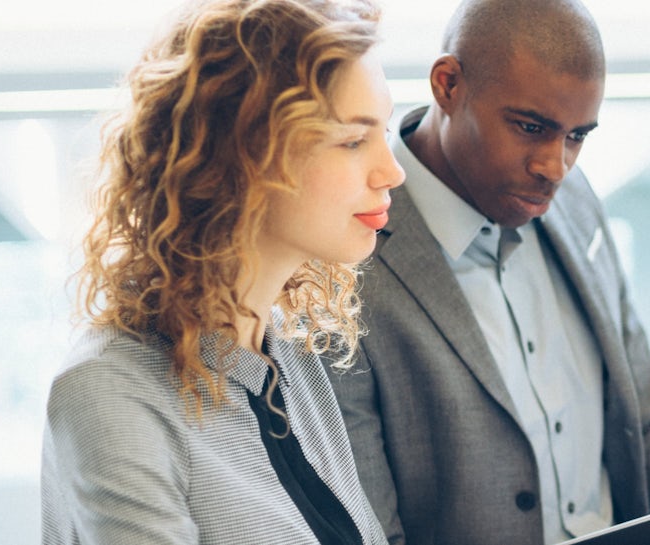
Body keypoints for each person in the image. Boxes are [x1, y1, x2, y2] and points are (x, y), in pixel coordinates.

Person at [329, 0, 650, 543]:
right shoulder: (346, 254)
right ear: (448, 85)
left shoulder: (575, 203)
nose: (555, 167)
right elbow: (372, 528)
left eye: (577, 136)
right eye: (531, 127)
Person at [40, 0, 405, 543]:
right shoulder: (109, 394)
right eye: (353, 140)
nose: (392, 171)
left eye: (383, 133)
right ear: (241, 157)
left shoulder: (291, 357)